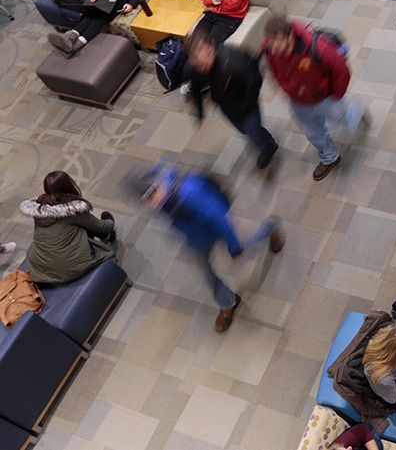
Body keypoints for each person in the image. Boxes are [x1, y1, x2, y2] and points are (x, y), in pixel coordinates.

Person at [135, 161, 285, 333]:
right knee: (206, 273)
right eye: (148, 200)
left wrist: (233, 245)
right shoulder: (161, 198)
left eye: (153, 195)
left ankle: (270, 228)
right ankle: (228, 302)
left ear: (158, 185)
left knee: (243, 251)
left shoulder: (188, 193)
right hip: (197, 239)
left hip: (215, 230)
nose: (153, 203)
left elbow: (219, 218)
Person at [260, 15, 367, 181]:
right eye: (271, 40)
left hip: (326, 98)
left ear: (290, 37)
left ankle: (356, 110)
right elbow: (274, 71)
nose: (273, 46)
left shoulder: (317, 47)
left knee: (344, 124)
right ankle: (329, 157)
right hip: (298, 101)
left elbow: (341, 71)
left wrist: (336, 95)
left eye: (278, 41)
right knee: (312, 132)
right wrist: (285, 89)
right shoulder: (269, 49)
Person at [183, 27, 279, 170]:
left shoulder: (234, 60)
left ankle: (269, 146)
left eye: (208, 56)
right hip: (227, 106)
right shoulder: (193, 69)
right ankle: (264, 139)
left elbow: (255, 77)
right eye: (199, 64)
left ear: (212, 46)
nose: (205, 66)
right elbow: (196, 90)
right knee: (245, 130)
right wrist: (200, 114)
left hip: (246, 103)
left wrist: (248, 103)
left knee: (252, 130)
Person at [19, 171, 116, 283]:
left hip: (41, 266)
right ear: (68, 186)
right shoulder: (72, 210)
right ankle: (108, 236)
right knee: (86, 225)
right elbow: (101, 226)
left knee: (69, 229)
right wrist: (111, 224)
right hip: (70, 266)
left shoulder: (40, 208)